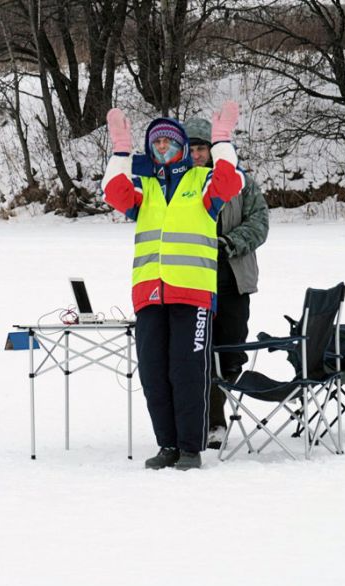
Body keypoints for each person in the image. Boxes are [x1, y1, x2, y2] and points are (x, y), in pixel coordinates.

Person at [102, 102, 245, 470]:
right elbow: (113, 192)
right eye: (156, 144)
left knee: (187, 371)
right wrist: (120, 148)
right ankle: (167, 444)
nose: (162, 149)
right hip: (150, 292)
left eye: (169, 142)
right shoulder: (145, 186)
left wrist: (222, 142)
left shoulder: (201, 181)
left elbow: (231, 182)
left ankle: (190, 447)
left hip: (192, 293)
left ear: (182, 147)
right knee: (153, 372)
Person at [183, 117, 268, 450]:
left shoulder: (241, 182)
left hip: (233, 281)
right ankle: (211, 421)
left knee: (230, 354)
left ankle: (216, 405)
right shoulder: (177, 184)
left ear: (215, 150)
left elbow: (259, 224)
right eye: (191, 149)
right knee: (200, 354)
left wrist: (227, 243)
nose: (197, 154)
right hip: (193, 283)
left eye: (202, 148)